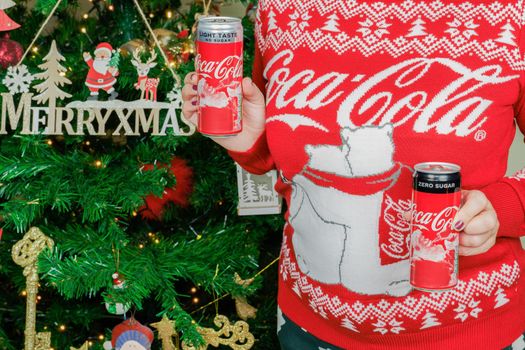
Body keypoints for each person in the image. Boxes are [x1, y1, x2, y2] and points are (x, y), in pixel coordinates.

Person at [182, 1, 525, 349]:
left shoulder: (512, 13)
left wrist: (502, 207)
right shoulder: (281, 9)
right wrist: (249, 139)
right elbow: (288, 155)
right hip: (308, 326)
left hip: (469, 333)